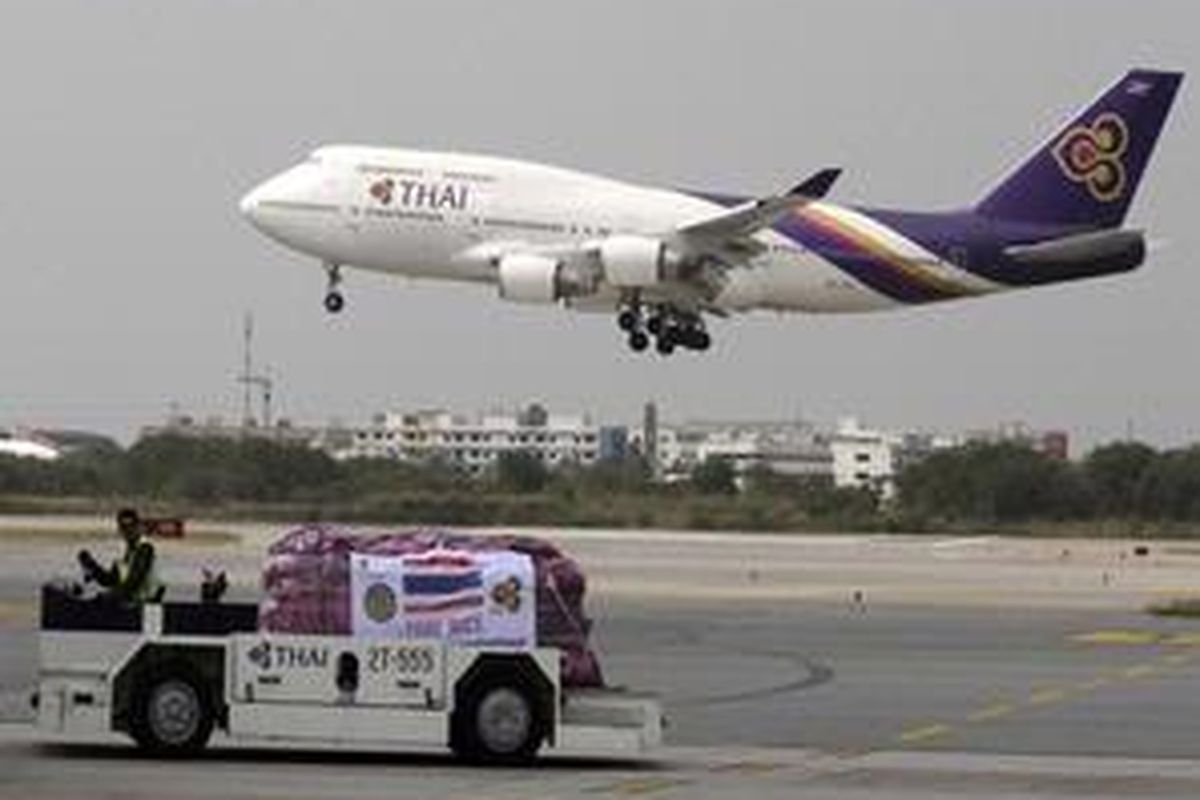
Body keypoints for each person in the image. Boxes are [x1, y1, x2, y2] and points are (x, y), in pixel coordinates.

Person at [77, 508, 165, 603]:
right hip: (132, 604)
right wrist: (92, 566)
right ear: (120, 529)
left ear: (138, 527)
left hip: (147, 605)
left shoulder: (145, 549)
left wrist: (108, 596)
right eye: (124, 527)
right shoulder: (128, 554)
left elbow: (133, 583)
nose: (128, 530)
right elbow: (109, 581)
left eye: (131, 526)